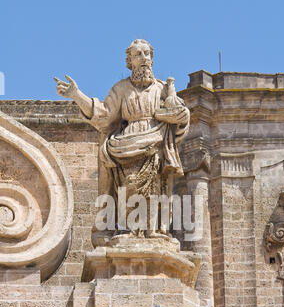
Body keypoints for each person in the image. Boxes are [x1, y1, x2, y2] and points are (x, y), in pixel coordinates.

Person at [54, 39, 189, 241]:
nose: (143, 59)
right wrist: (76, 94)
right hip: (127, 145)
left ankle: (153, 232)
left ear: (152, 59)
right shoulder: (121, 89)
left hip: (156, 142)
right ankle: (128, 230)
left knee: (154, 187)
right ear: (130, 62)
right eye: (138, 55)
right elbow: (104, 115)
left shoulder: (162, 89)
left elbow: (179, 113)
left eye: (147, 54)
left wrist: (181, 115)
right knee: (130, 185)